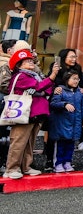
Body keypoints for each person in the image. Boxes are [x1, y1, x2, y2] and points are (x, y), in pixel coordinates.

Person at [3, 48, 57, 179]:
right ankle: (11, 168)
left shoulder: (34, 75)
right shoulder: (21, 76)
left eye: (31, 60)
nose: (31, 62)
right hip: (25, 113)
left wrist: (44, 86)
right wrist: (52, 76)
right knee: (19, 142)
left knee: (29, 142)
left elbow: (46, 88)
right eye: (26, 61)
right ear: (19, 65)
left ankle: (26, 166)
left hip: (34, 113)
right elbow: (41, 87)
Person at [49, 69, 83, 173]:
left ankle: (67, 162)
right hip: (62, 122)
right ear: (67, 79)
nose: (76, 81)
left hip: (75, 122)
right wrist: (64, 104)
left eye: (78, 79)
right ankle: (58, 163)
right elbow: (53, 104)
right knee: (61, 144)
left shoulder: (80, 92)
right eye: (74, 79)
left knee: (71, 145)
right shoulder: (61, 90)